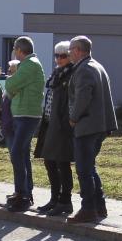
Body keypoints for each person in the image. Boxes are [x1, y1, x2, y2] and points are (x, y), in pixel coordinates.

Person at [65, 35, 118, 224]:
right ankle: (99, 205)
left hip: (87, 126)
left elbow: (83, 97)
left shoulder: (84, 70)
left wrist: (73, 118)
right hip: (99, 126)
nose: (69, 53)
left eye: (71, 49)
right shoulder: (96, 66)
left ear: (78, 50)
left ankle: (88, 209)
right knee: (90, 167)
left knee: (84, 169)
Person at [2, 36, 45, 211]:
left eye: (14, 49)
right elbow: (13, 86)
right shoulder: (28, 64)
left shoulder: (29, 64)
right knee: (21, 154)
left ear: (19, 50)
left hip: (27, 115)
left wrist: (11, 82)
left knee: (17, 153)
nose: (14, 52)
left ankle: (23, 195)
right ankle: (24, 192)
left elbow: (11, 84)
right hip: (23, 114)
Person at [34, 42, 75, 215]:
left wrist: (66, 123)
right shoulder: (57, 73)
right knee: (49, 161)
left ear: (70, 56)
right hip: (49, 122)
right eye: (56, 55)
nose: (58, 59)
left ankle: (65, 201)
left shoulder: (72, 74)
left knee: (62, 163)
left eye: (63, 56)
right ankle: (54, 198)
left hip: (62, 125)